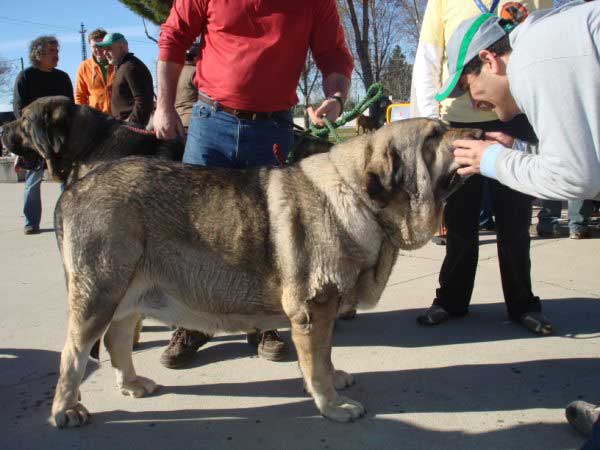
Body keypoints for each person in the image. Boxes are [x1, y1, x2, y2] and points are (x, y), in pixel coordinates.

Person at [153, 0, 353, 368]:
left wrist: (336, 97)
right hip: (211, 121)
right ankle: (192, 324)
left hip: (272, 128)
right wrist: (164, 105)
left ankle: (265, 324)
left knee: (270, 233)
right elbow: (173, 37)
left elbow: (334, 54)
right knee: (195, 230)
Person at [410, 0, 553, 335]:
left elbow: (544, 46)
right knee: (459, 222)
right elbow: (428, 59)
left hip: (515, 117)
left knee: (515, 223)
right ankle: (451, 300)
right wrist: (430, 123)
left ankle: (522, 305)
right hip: (460, 123)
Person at [439, 1, 600, 202]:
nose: (473, 104)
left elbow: (577, 178)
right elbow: (590, 158)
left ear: (489, 60)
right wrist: (518, 149)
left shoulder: (532, 61)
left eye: (468, 87)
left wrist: (491, 160)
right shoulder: (543, 44)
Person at [12, 35, 73, 235]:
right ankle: (31, 222)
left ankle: (67, 220)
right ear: (39, 54)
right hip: (35, 138)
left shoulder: (62, 77)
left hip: (59, 138)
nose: (56, 55)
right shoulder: (25, 77)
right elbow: (20, 110)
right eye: (52, 51)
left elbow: (70, 107)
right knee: (33, 179)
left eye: (57, 51)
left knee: (66, 180)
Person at [95, 32, 154, 128]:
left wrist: (131, 126)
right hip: (123, 127)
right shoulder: (122, 66)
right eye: (104, 49)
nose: (105, 53)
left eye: (109, 48)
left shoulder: (131, 67)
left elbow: (143, 101)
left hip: (131, 130)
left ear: (122, 47)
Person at [74, 28, 114, 114]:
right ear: (90, 47)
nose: (97, 49)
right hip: (96, 119)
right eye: (94, 46)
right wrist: (82, 117)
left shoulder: (117, 63)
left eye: (100, 46)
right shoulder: (84, 67)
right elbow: (80, 96)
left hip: (119, 118)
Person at [174, 43, 199, 132]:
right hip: (193, 121)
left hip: (176, 120)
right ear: (195, 58)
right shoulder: (196, 73)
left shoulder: (174, 73)